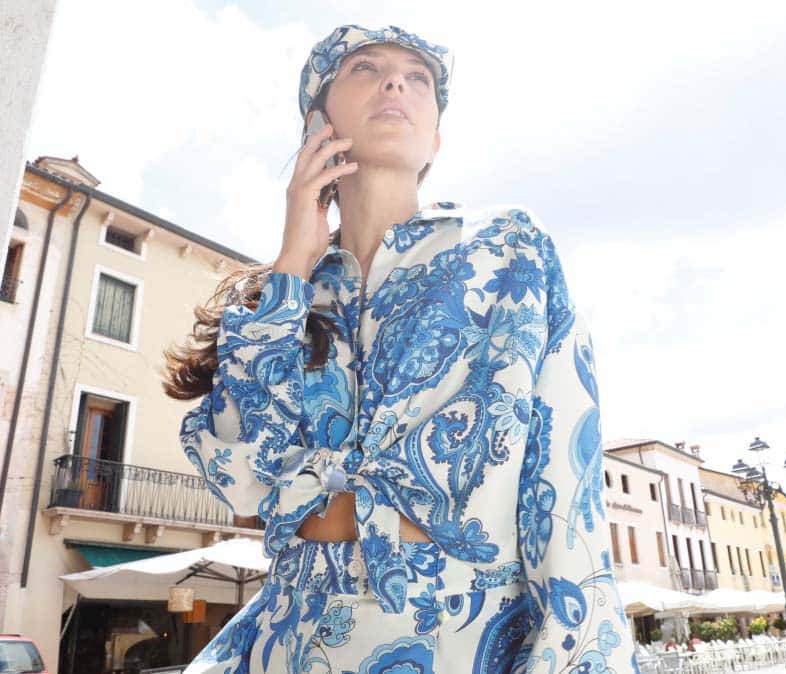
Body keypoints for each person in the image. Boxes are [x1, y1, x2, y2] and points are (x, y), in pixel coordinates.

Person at [163, 23, 640, 674]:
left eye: (419, 80)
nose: (396, 83)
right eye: (366, 68)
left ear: (434, 138)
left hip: (457, 646)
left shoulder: (510, 252)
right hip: (282, 646)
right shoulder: (283, 298)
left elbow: (563, 492)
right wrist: (293, 261)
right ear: (317, 126)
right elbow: (241, 475)